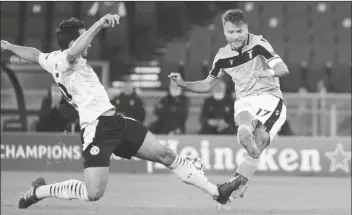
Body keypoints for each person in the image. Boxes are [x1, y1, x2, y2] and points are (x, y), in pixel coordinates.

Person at [1, 14, 240, 209]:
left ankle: (216, 192)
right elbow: (73, 53)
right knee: (93, 193)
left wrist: (10, 46)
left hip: (115, 121)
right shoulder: (66, 59)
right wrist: (98, 24)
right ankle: (40, 191)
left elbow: (34, 54)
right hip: (96, 131)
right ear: (74, 42)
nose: (91, 42)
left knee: (165, 155)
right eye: (84, 37)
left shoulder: (51, 58)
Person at [169, 9, 289, 205]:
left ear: (246, 29)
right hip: (244, 101)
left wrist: (266, 73)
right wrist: (183, 84)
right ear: (224, 32)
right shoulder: (222, 57)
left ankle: (236, 184)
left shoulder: (259, 44)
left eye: (239, 31)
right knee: (245, 132)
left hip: (269, 99)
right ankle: (244, 156)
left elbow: (282, 69)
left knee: (258, 141)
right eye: (231, 32)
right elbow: (207, 85)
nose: (235, 36)